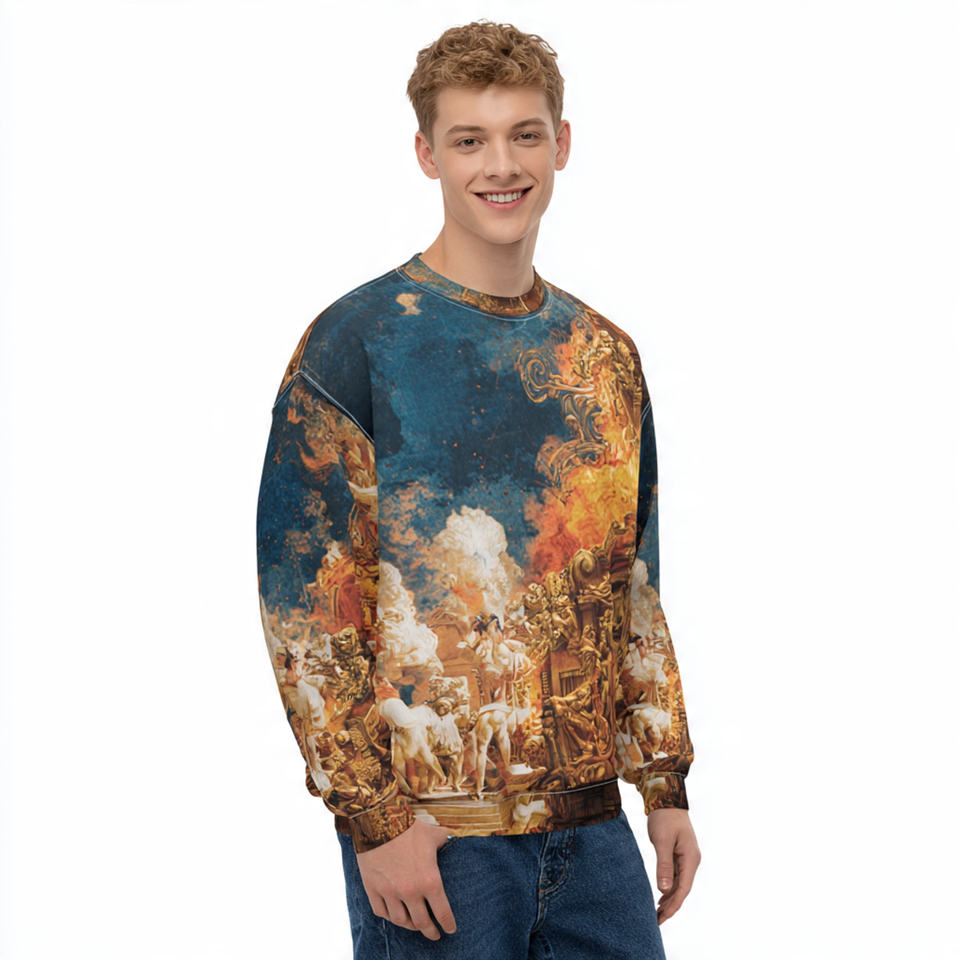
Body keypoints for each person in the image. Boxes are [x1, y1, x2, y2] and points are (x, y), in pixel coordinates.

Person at [255, 19, 700, 959]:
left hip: (596, 833)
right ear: (428, 155)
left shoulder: (605, 357)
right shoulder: (356, 344)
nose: (501, 165)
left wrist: (663, 784)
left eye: (524, 134)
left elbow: (633, 585)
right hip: (433, 839)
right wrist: (375, 820)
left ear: (561, 144)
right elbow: (306, 609)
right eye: (470, 140)